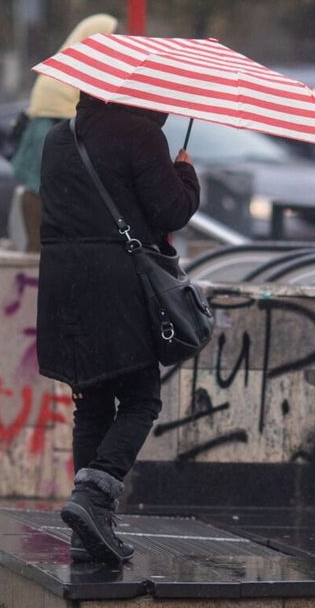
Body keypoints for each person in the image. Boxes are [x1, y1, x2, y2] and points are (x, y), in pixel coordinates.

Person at [36, 92, 200, 563]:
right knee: (140, 398)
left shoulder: (57, 137)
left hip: (64, 285)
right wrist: (185, 172)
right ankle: (94, 497)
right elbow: (171, 212)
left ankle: (88, 533)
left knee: (90, 401)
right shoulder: (141, 133)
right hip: (117, 287)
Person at [8, 14, 118, 252]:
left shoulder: (68, 66)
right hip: (45, 139)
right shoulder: (65, 76)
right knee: (40, 197)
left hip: (44, 145)